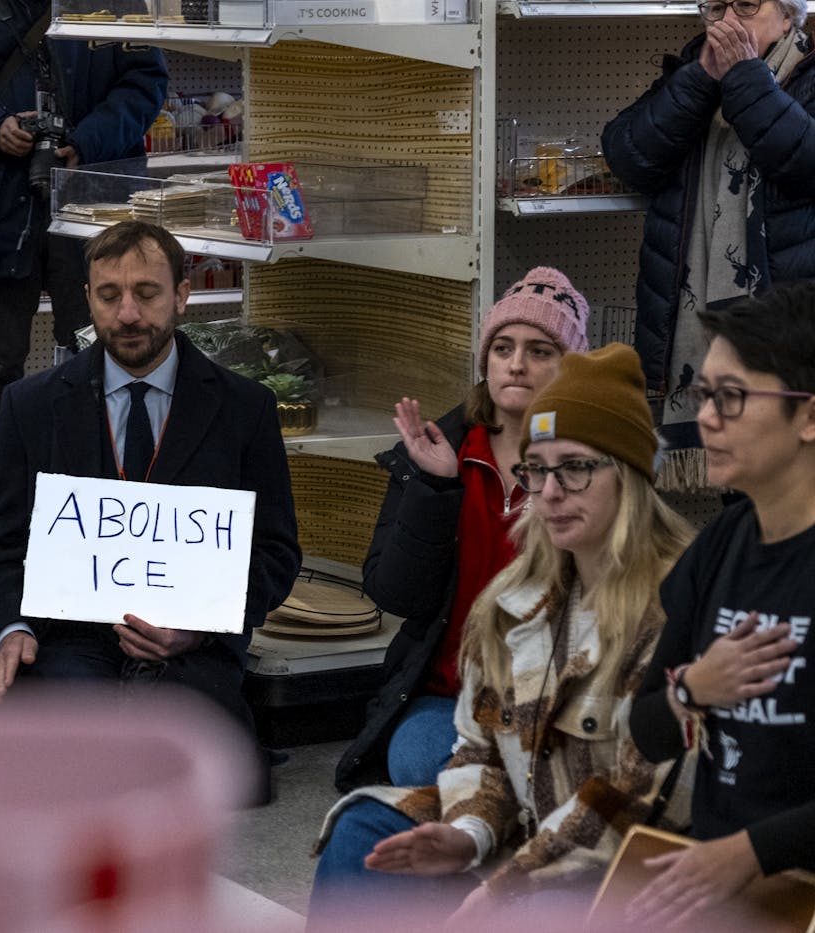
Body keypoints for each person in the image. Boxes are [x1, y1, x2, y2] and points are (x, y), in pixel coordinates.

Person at [309, 344, 694, 928]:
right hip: (523, 828)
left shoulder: (677, 604)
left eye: (577, 467)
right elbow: (478, 749)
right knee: (364, 831)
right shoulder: (516, 599)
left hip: (623, 868)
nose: (552, 491)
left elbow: (637, 804)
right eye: (537, 469)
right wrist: (469, 834)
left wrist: (506, 882)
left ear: (630, 476)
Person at [0, 221, 301, 786]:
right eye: (108, 294)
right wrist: (9, 628)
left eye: (146, 293)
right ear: (86, 298)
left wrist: (200, 627)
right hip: (65, 637)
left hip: (192, 648)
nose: (127, 314)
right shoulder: (32, 406)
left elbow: (274, 551)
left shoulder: (246, 409)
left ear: (182, 296)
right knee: (51, 761)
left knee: (206, 771)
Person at [333, 268, 591, 794]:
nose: (517, 364)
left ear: (572, 369)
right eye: (503, 348)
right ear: (485, 361)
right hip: (445, 697)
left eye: (541, 351)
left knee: (560, 768)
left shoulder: (594, 465)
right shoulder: (441, 452)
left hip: (556, 698)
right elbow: (393, 594)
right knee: (426, 764)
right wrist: (436, 489)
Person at [626, 283, 815, 925]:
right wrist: (694, 690)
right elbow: (646, 733)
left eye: (731, 398)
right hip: (719, 884)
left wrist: (749, 853)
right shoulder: (720, 547)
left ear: (809, 416)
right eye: (705, 395)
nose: (706, 416)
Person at [601, 0, 815, 488]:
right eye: (715, 8)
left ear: (789, 16)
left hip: (791, 343)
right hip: (700, 338)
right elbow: (628, 154)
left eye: (745, 4)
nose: (728, 21)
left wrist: (742, 77)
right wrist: (702, 78)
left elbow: (804, 161)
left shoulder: (810, 76)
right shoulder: (691, 76)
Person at [0, 0, 168, 436]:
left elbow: (146, 82)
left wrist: (86, 142)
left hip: (93, 198)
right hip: (3, 204)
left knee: (99, 357)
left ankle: (97, 482)